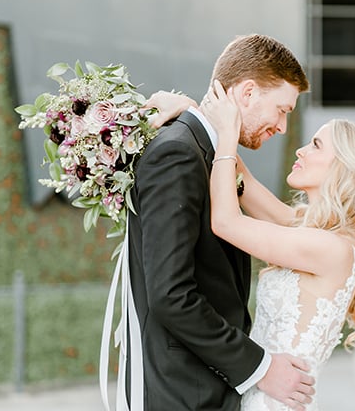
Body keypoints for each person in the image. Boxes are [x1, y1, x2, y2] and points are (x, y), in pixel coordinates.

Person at [149, 80, 355, 410]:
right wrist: (190, 109)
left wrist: (226, 136)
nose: (301, 150)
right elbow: (241, 181)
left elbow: (226, 222)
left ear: (343, 168)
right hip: (261, 390)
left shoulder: (331, 248)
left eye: (316, 145)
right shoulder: (307, 227)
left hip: (273, 400)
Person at [124, 34, 314, 411]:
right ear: (246, 93)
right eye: (282, 109)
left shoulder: (206, 152)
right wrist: (260, 369)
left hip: (208, 386)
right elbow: (170, 295)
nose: (280, 126)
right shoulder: (179, 153)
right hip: (183, 391)